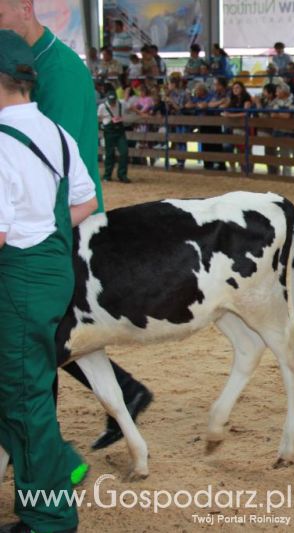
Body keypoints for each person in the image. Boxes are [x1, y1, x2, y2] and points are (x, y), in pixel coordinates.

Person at [0, 0, 154, 452]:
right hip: (52, 217)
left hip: (58, 222)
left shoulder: (59, 71)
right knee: (52, 328)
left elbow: (50, 159)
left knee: (38, 330)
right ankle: (121, 394)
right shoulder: (36, 62)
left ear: (25, 9)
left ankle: (42, 452)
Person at [0, 29, 98, 533]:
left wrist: (27, 233)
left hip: (16, 278)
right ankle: (55, 476)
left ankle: (50, 517)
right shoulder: (55, 133)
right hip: (54, 270)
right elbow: (86, 201)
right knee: (23, 391)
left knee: (24, 399)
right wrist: (47, 228)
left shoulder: (0, 143)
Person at [97, 91, 130, 183]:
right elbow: (98, 117)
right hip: (109, 131)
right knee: (110, 153)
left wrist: (140, 113)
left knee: (124, 151)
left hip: (119, 131)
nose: (112, 103)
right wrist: (102, 125)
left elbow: (130, 107)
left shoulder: (121, 104)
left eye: (114, 101)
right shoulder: (102, 107)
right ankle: (107, 175)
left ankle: (122, 175)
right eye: (111, 101)